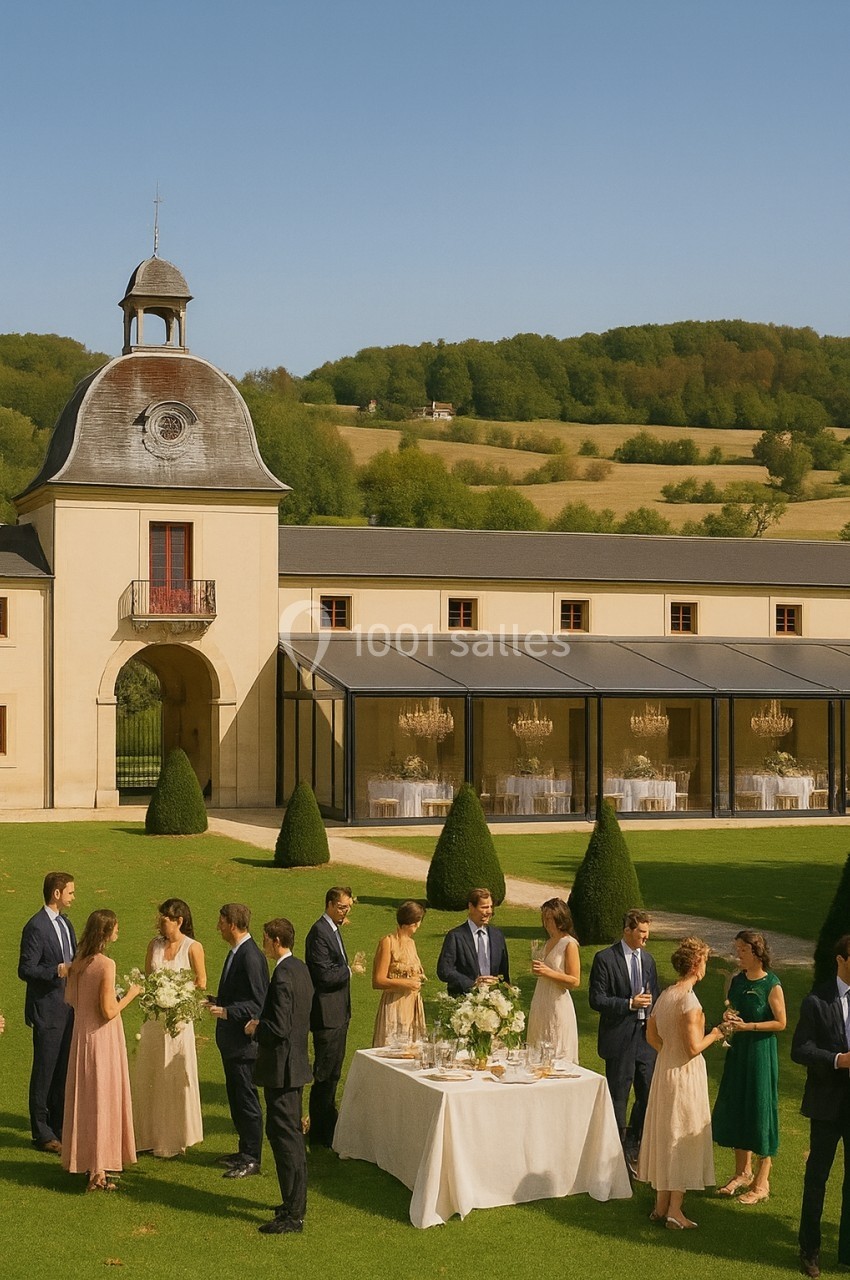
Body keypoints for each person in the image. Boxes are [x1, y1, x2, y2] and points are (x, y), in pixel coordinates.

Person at [636, 936, 724, 1229]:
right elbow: (693, 1048)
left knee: (667, 1133)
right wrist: (716, 1033)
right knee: (682, 1135)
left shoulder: (665, 995)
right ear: (696, 964)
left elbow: (651, 1035)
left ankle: (661, 1204)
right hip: (685, 1076)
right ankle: (675, 1209)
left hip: (665, 1070)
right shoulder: (689, 1001)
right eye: (705, 961)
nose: (706, 966)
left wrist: (668, 1053)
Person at [62, 909, 142, 1191]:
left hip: (81, 1037)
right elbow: (108, 1011)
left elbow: (71, 999)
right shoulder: (106, 964)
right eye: (115, 928)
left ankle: (89, 1164)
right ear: (106, 933)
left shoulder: (79, 963)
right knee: (103, 1099)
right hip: (102, 1039)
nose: (118, 932)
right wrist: (131, 994)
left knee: (85, 1099)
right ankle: (99, 1169)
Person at [247, 917, 314, 1235]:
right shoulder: (300, 968)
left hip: (283, 1070)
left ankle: (293, 1214)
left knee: (286, 1140)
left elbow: (280, 1027)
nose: (264, 944)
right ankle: (292, 1204)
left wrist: (256, 1027)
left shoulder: (284, 975)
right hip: (294, 1066)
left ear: (276, 941)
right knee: (286, 1136)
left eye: (265, 939)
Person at [712, 929, 786, 1205]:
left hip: (760, 1054)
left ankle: (762, 1181)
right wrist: (729, 1017)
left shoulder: (771, 984)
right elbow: (733, 1009)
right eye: (737, 950)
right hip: (739, 1053)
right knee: (738, 1106)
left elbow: (781, 1022)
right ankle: (742, 1172)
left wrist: (749, 1027)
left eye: (743, 950)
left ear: (757, 952)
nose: (738, 955)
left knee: (760, 1108)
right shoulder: (738, 980)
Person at [792, 933, 850, 1278]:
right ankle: (809, 1250)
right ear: (841, 960)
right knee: (817, 1178)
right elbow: (800, 1049)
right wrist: (837, 1060)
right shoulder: (817, 1000)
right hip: (827, 1105)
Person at [132, 897, 206, 1157]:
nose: (160, 923)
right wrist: (156, 994)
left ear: (179, 921)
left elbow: (201, 981)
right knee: (151, 1074)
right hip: (154, 1021)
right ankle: (147, 1135)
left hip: (178, 1022)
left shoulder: (193, 947)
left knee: (173, 1074)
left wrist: (177, 995)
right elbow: (148, 979)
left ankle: (174, 1138)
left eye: (164, 919)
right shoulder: (154, 945)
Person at [588, 908, 660, 1169]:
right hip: (619, 1039)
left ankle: (634, 1142)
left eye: (647, 932)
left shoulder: (648, 960)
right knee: (618, 1096)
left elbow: (656, 995)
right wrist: (629, 1004)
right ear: (627, 931)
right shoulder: (605, 959)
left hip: (645, 1038)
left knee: (648, 1093)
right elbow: (597, 999)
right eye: (641, 932)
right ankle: (615, 1153)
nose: (645, 937)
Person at [207, 903, 269, 1179]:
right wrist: (216, 1001)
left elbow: (257, 1002)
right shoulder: (237, 952)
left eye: (221, 922)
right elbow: (238, 994)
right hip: (232, 1044)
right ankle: (244, 1150)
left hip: (244, 1045)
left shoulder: (250, 957)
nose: (218, 927)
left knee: (246, 1101)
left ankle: (252, 1158)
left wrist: (227, 1012)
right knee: (236, 1098)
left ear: (232, 925)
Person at [18, 871, 77, 1152]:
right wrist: (56, 971)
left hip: (67, 1008)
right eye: (70, 892)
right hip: (47, 1010)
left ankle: (59, 1126)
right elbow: (25, 969)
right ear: (57, 893)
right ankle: (42, 1132)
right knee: (44, 1071)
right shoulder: (36, 927)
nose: (73, 897)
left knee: (62, 1070)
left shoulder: (66, 923)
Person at [305, 886, 362, 1146]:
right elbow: (323, 976)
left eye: (348, 907)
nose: (345, 912)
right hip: (327, 1016)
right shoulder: (319, 933)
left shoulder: (332, 929)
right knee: (325, 1074)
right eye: (341, 907)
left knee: (333, 1074)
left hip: (338, 1013)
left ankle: (328, 1123)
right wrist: (350, 970)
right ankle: (320, 1132)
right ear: (329, 904)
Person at [527, 897, 580, 1063]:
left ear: (560, 918)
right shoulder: (549, 942)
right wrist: (539, 971)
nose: (546, 923)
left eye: (550, 918)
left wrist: (547, 972)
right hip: (541, 1001)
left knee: (556, 1050)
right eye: (544, 918)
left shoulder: (569, 944)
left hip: (558, 1002)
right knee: (537, 1050)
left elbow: (574, 980)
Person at [436, 887, 511, 996]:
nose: (489, 911)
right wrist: (472, 984)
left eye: (490, 907)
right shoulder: (456, 936)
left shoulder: (497, 935)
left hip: (493, 999)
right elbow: (444, 970)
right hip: (464, 999)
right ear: (471, 907)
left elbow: (504, 973)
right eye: (484, 907)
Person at [371, 901, 427, 1047]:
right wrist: (406, 983)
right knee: (392, 1048)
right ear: (414, 922)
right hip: (394, 1005)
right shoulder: (388, 942)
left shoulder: (411, 943)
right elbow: (378, 980)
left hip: (412, 1005)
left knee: (412, 1050)